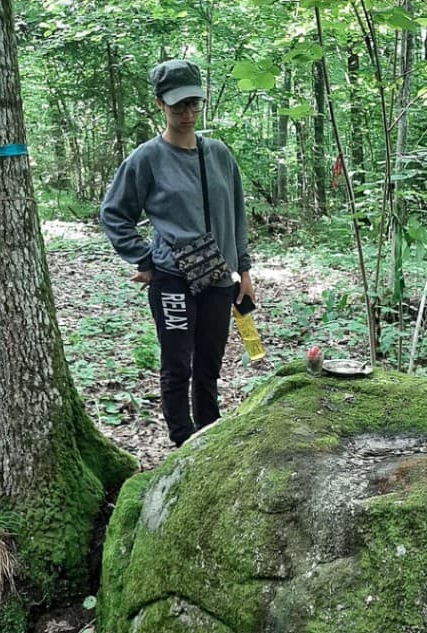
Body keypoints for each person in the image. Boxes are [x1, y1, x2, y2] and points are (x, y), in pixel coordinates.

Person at [100, 59, 254, 446]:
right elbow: (114, 213)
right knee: (176, 366)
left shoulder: (219, 154)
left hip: (218, 278)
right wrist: (146, 258)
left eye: (193, 104)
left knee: (208, 365)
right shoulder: (146, 158)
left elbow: (235, 213)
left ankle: (209, 434)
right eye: (177, 106)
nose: (187, 114)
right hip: (173, 279)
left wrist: (245, 272)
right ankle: (183, 442)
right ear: (159, 105)